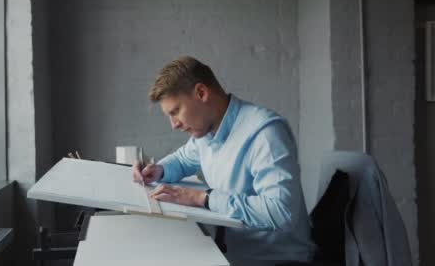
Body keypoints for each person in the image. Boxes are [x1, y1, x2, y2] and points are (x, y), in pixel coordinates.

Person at [132, 56, 315, 264]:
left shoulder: (265, 133)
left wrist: (203, 198)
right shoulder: (205, 132)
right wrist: (158, 170)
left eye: (175, 112)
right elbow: (183, 159)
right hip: (231, 254)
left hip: (274, 261)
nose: (174, 124)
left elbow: (281, 211)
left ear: (201, 93)